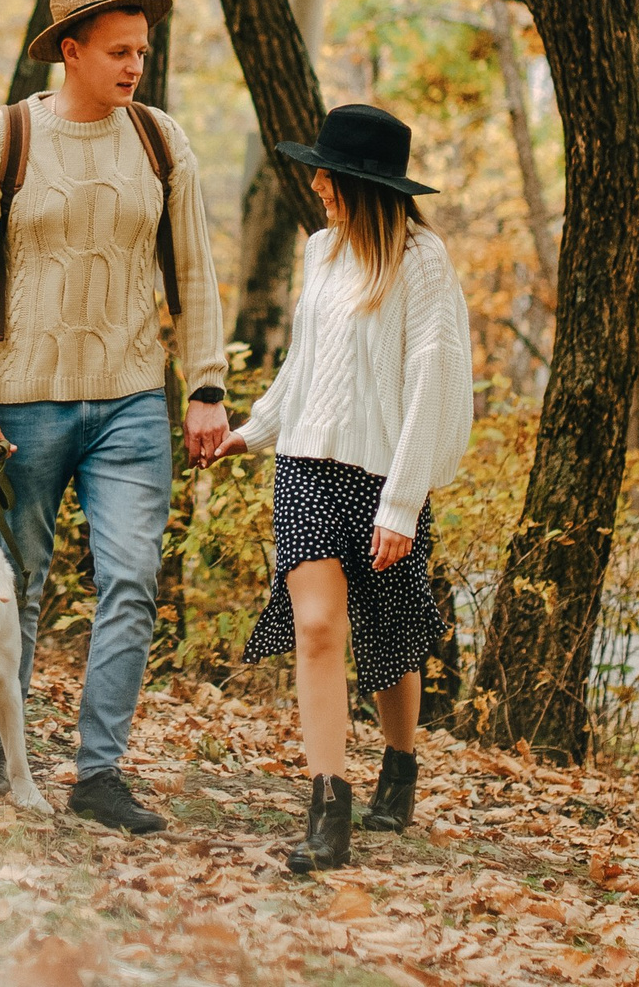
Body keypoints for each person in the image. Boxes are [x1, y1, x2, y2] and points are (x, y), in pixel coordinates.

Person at [0, 0, 233, 833]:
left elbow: (197, 274)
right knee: (14, 584)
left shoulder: (160, 140)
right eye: (118, 51)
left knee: (132, 579)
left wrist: (206, 385)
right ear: (71, 51)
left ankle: (99, 772)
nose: (136, 65)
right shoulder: (0, 140)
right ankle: (1, 754)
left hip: (133, 401)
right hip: (23, 405)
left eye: (143, 50)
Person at [213, 103, 473, 872]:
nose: (317, 182)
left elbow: (434, 378)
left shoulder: (423, 260)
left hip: (384, 473)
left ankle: (400, 764)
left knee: (389, 637)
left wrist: (402, 499)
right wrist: (254, 428)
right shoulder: (320, 249)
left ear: (363, 183)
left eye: (330, 173)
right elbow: (305, 366)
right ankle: (329, 802)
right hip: (305, 469)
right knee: (320, 626)